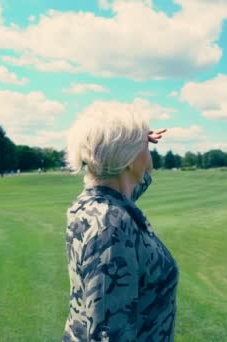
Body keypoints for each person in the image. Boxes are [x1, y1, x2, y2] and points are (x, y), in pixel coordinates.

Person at [62, 107, 179, 341]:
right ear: (128, 158)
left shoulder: (97, 203)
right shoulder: (109, 224)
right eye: (143, 147)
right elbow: (108, 334)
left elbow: (135, 182)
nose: (148, 155)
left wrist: (137, 141)